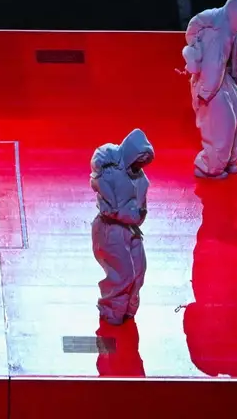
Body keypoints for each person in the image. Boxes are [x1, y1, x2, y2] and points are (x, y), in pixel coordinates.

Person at [182, 0, 237, 179]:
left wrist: (234, 82)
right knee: (222, 126)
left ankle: (230, 160)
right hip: (210, 84)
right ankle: (210, 166)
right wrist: (205, 92)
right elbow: (212, 65)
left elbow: (230, 63)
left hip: (223, 80)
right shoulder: (217, 32)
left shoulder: (233, 32)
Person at [90, 128, 154, 325]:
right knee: (123, 273)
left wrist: (136, 216)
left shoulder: (140, 178)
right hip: (112, 231)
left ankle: (128, 308)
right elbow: (111, 209)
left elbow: (139, 208)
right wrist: (133, 215)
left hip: (131, 229)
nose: (141, 164)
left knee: (139, 271)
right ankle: (111, 310)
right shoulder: (109, 171)